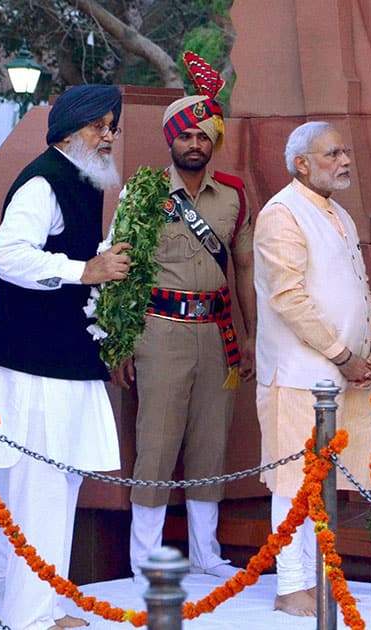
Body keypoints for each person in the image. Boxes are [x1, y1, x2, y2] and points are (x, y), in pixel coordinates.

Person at [0, 84, 131, 630]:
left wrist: (97, 258)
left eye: (112, 125)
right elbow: (7, 256)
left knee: (61, 490)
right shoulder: (43, 180)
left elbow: (65, 252)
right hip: (36, 366)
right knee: (40, 495)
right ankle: (28, 618)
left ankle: (45, 609)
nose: (109, 135)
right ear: (68, 131)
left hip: (67, 362)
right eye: (99, 126)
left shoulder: (81, 180)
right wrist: (85, 271)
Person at [113, 53, 256, 582]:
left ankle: (205, 553)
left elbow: (244, 266)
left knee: (209, 441)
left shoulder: (235, 196)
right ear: (170, 140)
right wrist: (121, 343)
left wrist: (253, 335)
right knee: (156, 442)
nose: (195, 144)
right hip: (159, 332)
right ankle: (145, 556)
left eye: (204, 136)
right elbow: (121, 268)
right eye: (186, 136)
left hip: (217, 335)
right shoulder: (145, 192)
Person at [253, 121, 371, 616]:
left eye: (346, 151)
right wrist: (343, 355)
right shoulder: (281, 215)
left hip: (344, 375)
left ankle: (317, 575)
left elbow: (360, 286)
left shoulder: (340, 217)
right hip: (298, 376)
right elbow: (289, 298)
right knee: (293, 482)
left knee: (326, 480)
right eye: (333, 154)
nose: (345, 161)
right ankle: (291, 585)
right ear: (302, 164)